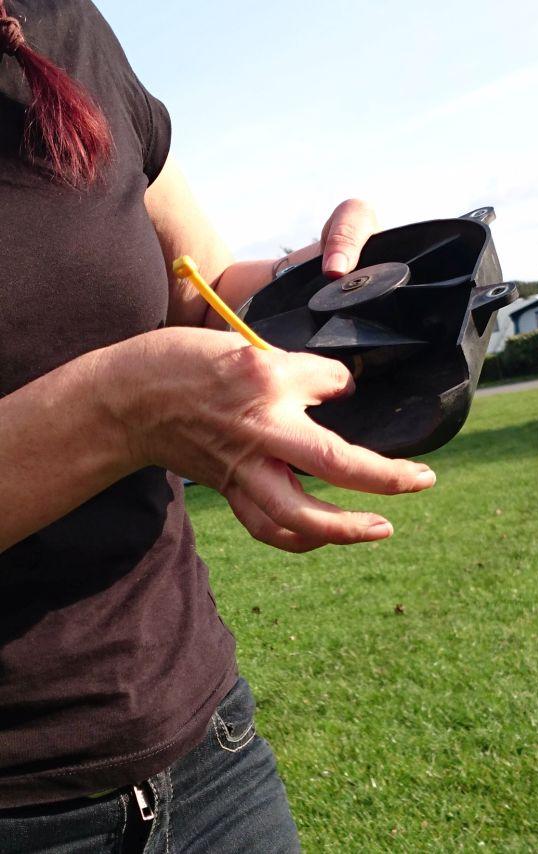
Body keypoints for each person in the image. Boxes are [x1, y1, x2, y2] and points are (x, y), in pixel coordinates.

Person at [0, 1, 435, 851]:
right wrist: (120, 410)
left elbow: (203, 293)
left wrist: (333, 284)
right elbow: (140, 387)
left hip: (210, 763)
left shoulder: (64, 22)